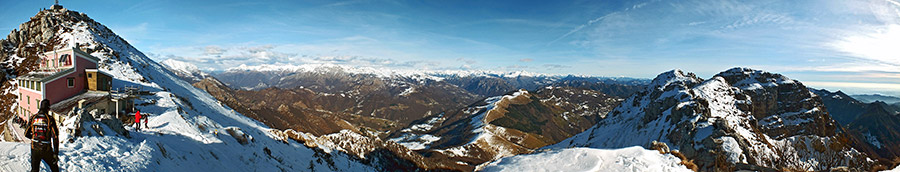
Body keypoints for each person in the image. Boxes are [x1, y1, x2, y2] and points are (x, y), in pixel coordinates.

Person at [25, 99, 59, 172]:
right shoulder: (50, 119)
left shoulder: (33, 118)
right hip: (46, 148)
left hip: (34, 147)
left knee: (34, 169)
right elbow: (55, 137)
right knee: (54, 168)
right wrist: (56, 153)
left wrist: (34, 138)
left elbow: (26, 134)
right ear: (48, 108)